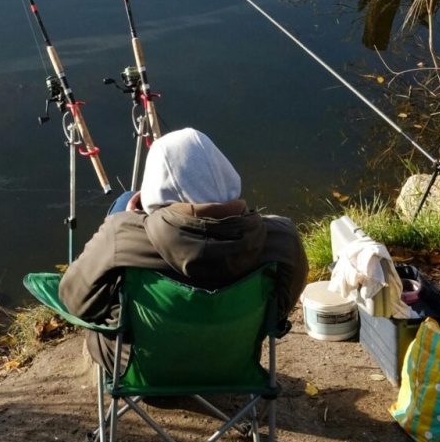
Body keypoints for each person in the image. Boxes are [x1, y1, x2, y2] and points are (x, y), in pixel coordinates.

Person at [58, 128, 308, 369]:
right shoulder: (282, 239)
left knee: (124, 201)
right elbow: (278, 314)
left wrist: (129, 222)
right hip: (231, 364)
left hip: (139, 365)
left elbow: (74, 300)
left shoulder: (121, 235)